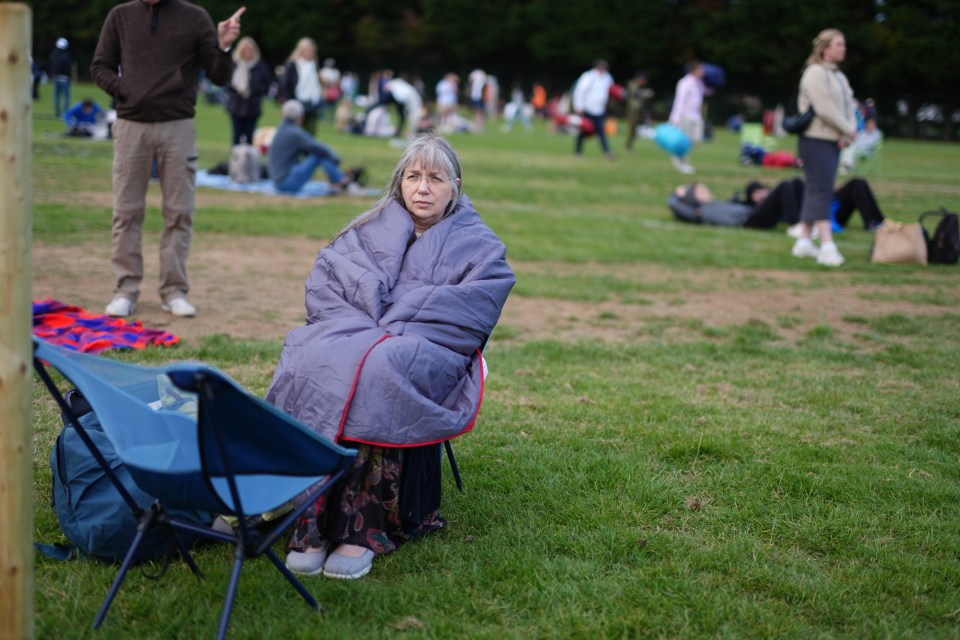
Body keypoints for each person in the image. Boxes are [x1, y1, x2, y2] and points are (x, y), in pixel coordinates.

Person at [266, 132, 515, 580]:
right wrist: (368, 325)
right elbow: (329, 283)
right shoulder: (370, 226)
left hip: (429, 346)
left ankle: (360, 529)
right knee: (309, 354)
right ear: (400, 182)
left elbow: (471, 311)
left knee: (381, 366)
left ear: (454, 185)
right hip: (359, 330)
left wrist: (393, 323)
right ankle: (311, 519)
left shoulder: (481, 245)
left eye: (435, 178)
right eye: (413, 176)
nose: (422, 188)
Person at [91, 1, 246, 319]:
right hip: (131, 125)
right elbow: (100, 66)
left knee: (179, 213)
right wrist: (124, 89)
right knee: (126, 212)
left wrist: (223, 46)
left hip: (178, 127)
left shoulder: (196, 17)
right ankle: (125, 290)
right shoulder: (120, 16)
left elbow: (219, 77)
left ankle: (174, 291)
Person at [792, 28, 858, 267]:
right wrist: (847, 130)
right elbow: (824, 108)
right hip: (814, 140)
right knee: (822, 191)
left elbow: (849, 105)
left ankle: (803, 242)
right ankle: (827, 246)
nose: (843, 48)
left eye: (843, 44)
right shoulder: (814, 73)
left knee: (815, 190)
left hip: (832, 139)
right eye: (838, 44)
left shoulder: (839, 76)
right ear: (824, 48)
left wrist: (848, 133)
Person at [671, 177, 885, 231]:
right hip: (748, 220)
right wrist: (679, 194)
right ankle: (798, 225)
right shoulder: (699, 212)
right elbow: (673, 204)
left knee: (794, 183)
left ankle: (877, 223)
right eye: (699, 190)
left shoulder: (721, 203)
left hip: (751, 214)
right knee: (786, 185)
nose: (705, 190)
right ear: (692, 198)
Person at [268, 100, 362, 194]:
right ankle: (342, 182)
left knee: (318, 153)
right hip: (286, 182)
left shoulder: (282, 128)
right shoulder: (293, 133)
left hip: (278, 180)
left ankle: (339, 180)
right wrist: (335, 158)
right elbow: (318, 147)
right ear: (300, 116)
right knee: (319, 155)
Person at [224, 36, 272, 146]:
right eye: (246, 50)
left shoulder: (260, 66)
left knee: (250, 136)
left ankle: (249, 161)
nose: (248, 52)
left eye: (250, 50)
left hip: (252, 105)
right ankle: (236, 160)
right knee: (236, 136)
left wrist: (255, 92)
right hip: (236, 105)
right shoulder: (234, 64)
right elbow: (227, 82)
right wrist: (237, 89)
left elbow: (267, 84)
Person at [667, 60, 706, 174]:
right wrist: (675, 116)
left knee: (696, 139)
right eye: (700, 69)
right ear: (694, 70)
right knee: (685, 141)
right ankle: (681, 162)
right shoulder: (684, 82)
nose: (702, 71)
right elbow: (679, 100)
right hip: (685, 115)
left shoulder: (700, 83)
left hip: (696, 116)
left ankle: (681, 159)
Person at [571, 59, 615, 159]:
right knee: (584, 130)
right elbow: (580, 91)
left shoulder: (607, 77)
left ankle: (607, 152)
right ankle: (578, 152)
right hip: (587, 108)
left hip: (600, 109)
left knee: (601, 131)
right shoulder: (588, 76)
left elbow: (611, 90)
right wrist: (578, 105)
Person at [282, 38, 323, 135]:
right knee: (294, 131)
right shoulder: (293, 64)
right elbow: (286, 84)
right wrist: (289, 101)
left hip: (312, 102)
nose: (311, 53)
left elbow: (316, 84)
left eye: (312, 51)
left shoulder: (314, 65)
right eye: (308, 50)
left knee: (310, 132)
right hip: (297, 101)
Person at [364, 74, 423, 140]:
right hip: (401, 100)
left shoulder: (395, 87)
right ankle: (365, 121)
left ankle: (398, 132)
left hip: (402, 100)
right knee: (401, 116)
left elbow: (399, 98)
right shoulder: (396, 85)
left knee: (402, 116)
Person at [624, 70, 654, 152]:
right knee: (632, 129)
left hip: (639, 111)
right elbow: (635, 94)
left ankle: (629, 146)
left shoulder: (640, 87)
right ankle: (628, 146)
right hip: (632, 111)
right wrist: (645, 93)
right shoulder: (632, 84)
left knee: (636, 129)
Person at [48, 37, 72, 118]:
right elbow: (68, 68)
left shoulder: (53, 54)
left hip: (55, 77)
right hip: (65, 78)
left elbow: (51, 65)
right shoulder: (66, 55)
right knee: (66, 96)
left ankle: (57, 113)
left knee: (56, 96)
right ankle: (65, 114)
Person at [318, 58, 341, 122]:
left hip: (333, 91)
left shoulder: (336, 71)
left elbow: (337, 81)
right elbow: (321, 80)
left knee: (333, 106)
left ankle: (332, 118)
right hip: (325, 90)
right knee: (323, 105)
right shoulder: (323, 71)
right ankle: (322, 118)